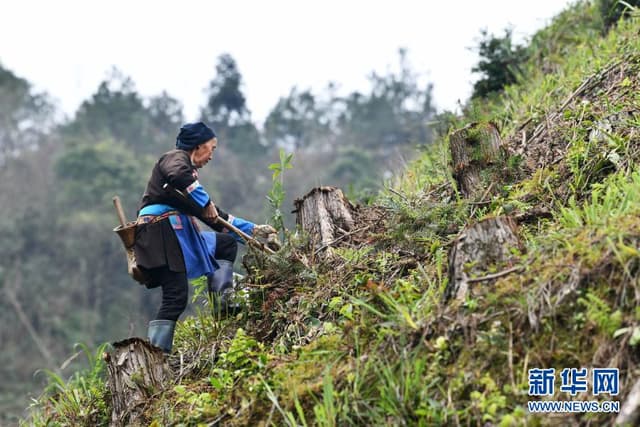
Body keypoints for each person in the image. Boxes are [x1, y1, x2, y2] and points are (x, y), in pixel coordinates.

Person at [134, 122, 276, 353]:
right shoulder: (175, 159)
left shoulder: (188, 183)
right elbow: (181, 176)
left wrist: (254, 231)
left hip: (176, 236)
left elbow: (216, 218)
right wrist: (206, 202)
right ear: (198, 146)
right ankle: (156, 358)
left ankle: (223, 303)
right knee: (176, 296)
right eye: (212, 148)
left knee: (226, 244)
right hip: (160, 236)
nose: (212, 155)